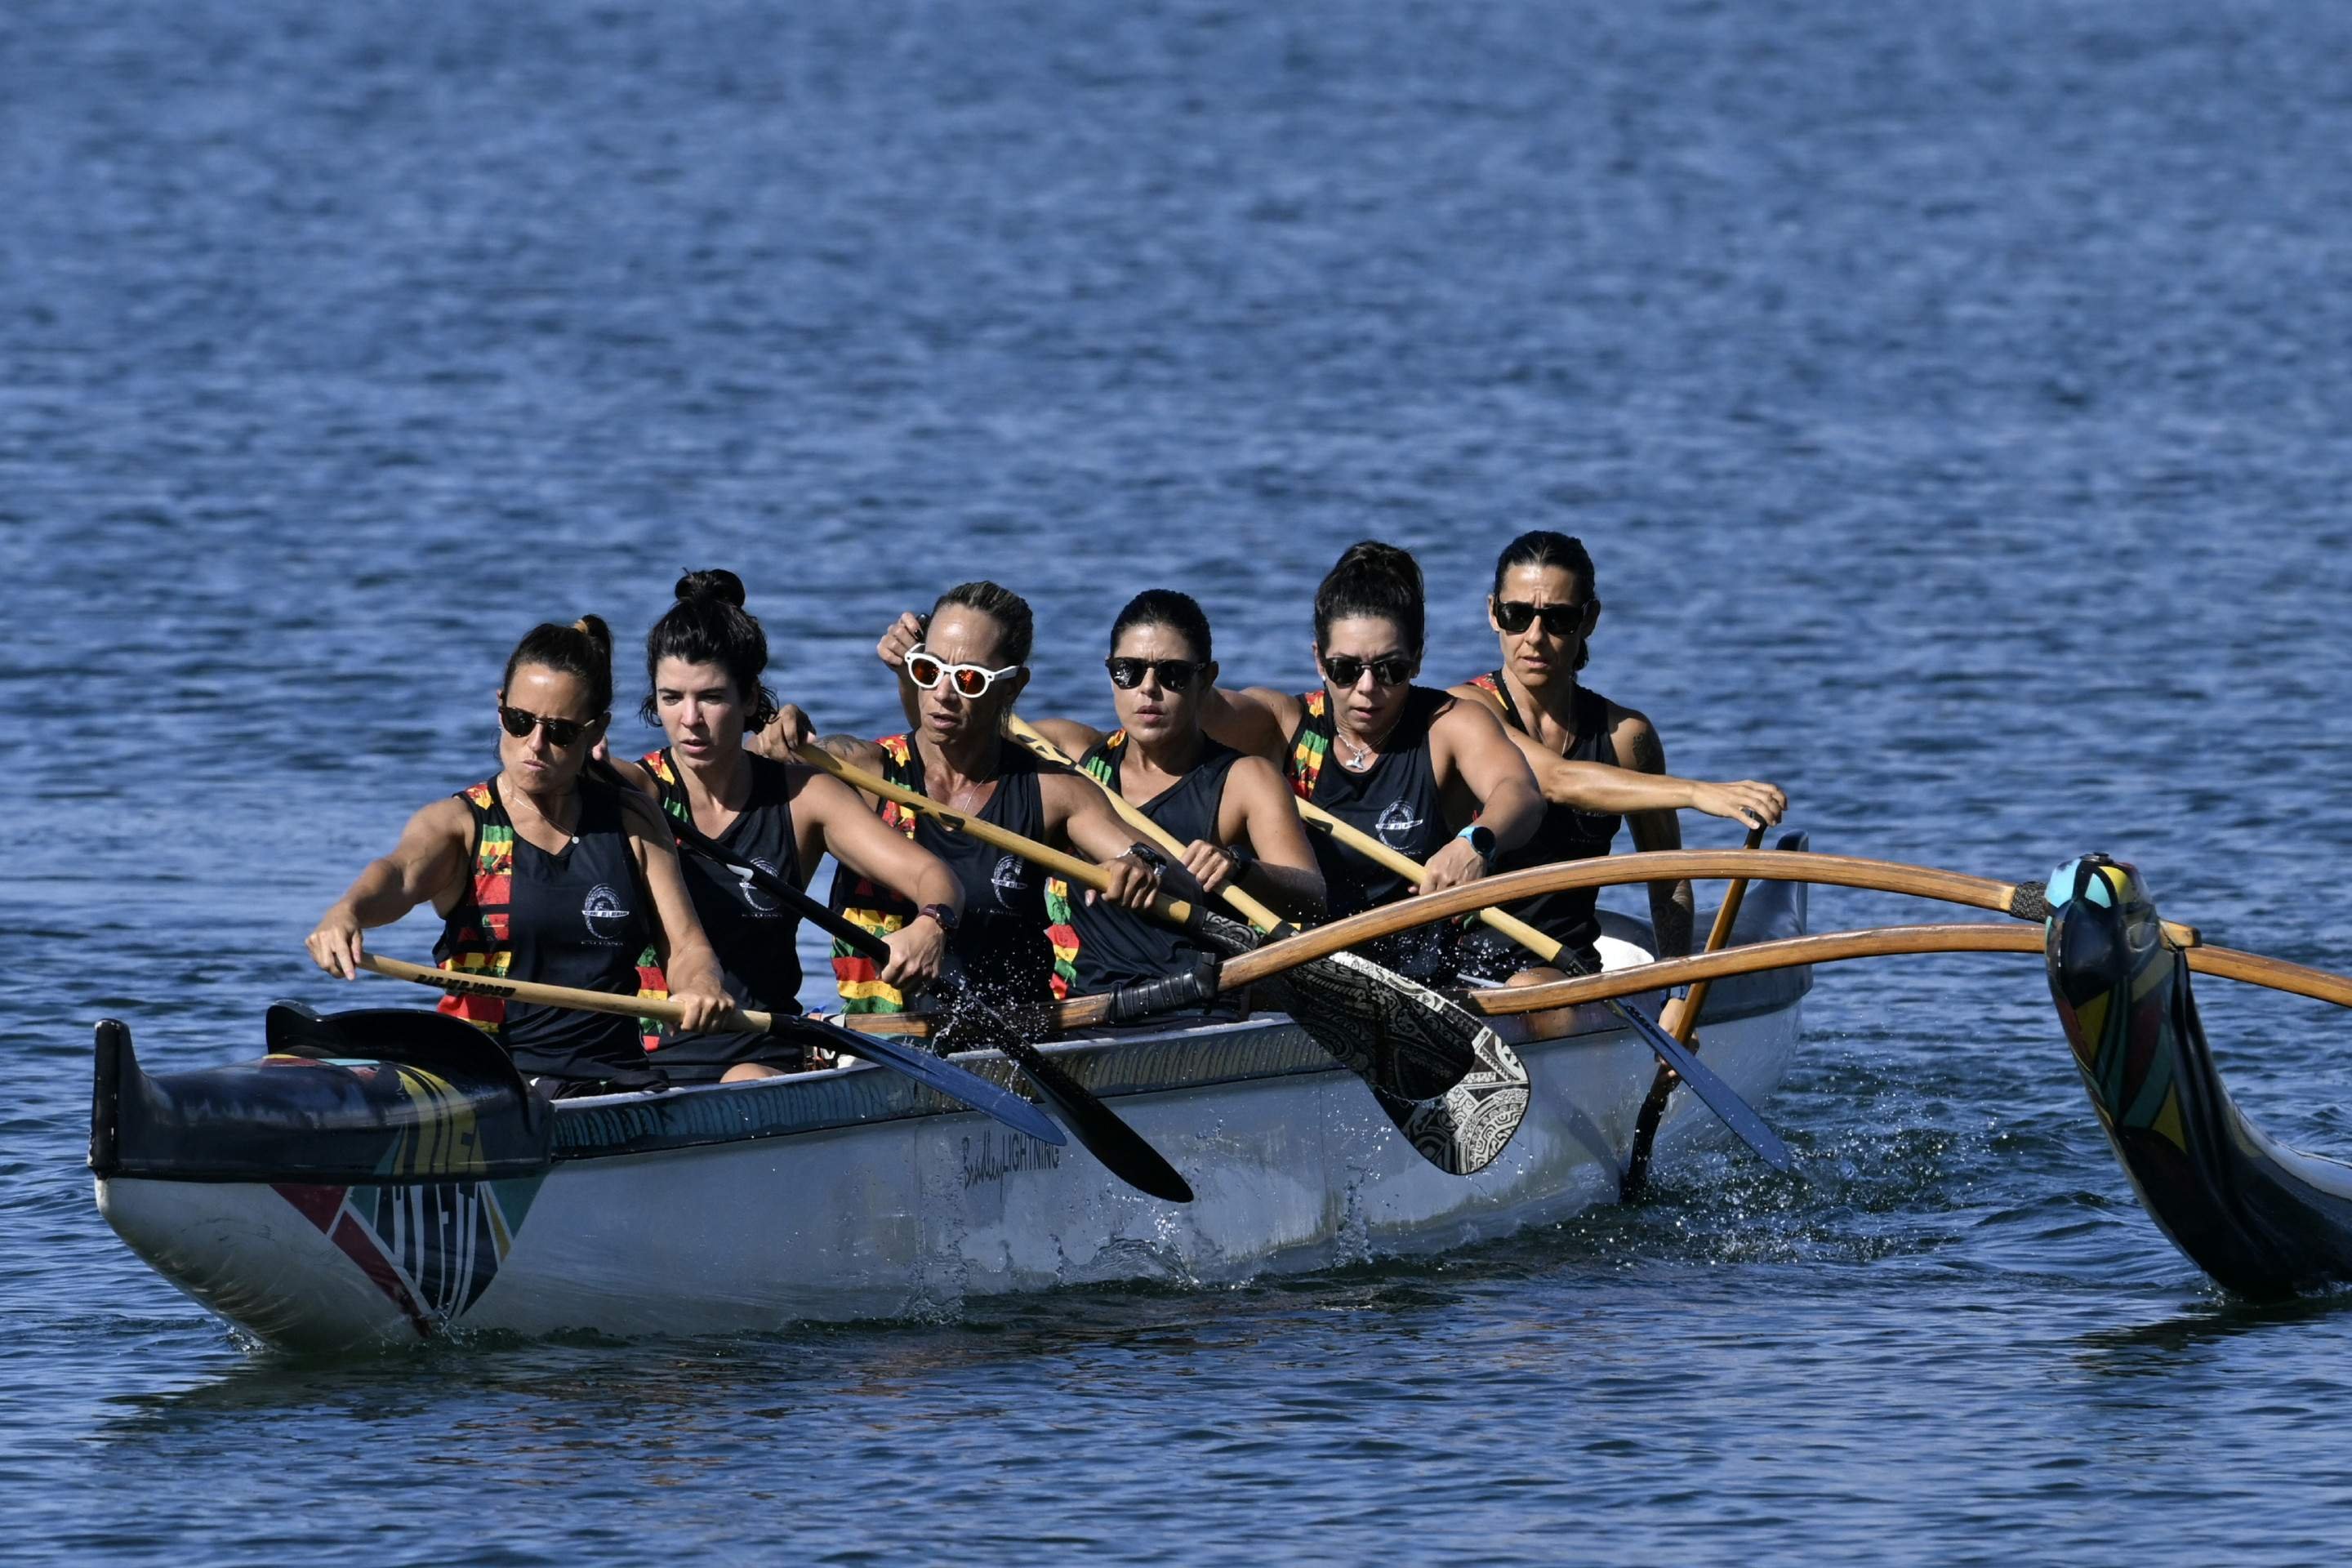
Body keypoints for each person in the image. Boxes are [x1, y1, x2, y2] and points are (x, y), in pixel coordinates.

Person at [305, 617, 729, 1089]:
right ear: (500, 708)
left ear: (596, 732)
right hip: (490, 1083)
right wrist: (347, 913)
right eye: (520, 721)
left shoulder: (631, 821)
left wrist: (701, 987)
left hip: (614, 1082)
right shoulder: (462, 825)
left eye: (561, 732)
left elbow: (687, 946)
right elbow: (399, 875)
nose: (535, 745)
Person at [601, 570, 967, 1080]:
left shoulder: (802, 797)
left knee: (743, 1082)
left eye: (712, 697)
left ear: (751, 698)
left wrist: (931, 924)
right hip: (643, 1064)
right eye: (671, 698)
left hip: (759, 1056)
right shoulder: (634, 791)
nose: (690, 719)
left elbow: (935, 877)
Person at [764, 581, 1165, 1039]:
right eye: (928, 669)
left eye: (968, 679)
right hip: (882, 1044)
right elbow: (752, 769)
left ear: (1012, 687)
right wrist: (777, 730)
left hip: (1013, 1043)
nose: (942, 693)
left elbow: (1160, 867)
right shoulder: (860, 773)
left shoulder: (1052, 791)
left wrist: (1139, 866)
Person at [1190, 541, 1549, 978]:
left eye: (1389, 669)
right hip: (1303, 971)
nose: (1366, 688)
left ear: (1417, 660)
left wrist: (1474, 843)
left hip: (1420, 979)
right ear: (1319, 660)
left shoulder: (1447, 725)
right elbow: (1192, 707)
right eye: (1345, 669)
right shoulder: (1281, 724)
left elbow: (1522, 794)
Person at [1446, 531, 1788, 978]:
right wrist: (1695, 793)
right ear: (1493, 613)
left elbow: (1667, 880)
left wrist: (1676, 990)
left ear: (1590, 619)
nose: (1535, 637)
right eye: (1518, 615)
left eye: (1559, 618)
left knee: (1537, 982)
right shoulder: (1466, 711)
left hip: (1567, 975)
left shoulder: (1627, 737)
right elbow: (1555, 780)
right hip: (1458, 971)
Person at [1021, 590, 1325, 999]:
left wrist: (1238, 869)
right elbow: (963, 736)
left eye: (1173, 674)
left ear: (1207, 679)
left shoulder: (1246, 780)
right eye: (1128, 671)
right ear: (1110, 673)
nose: (1148, 688)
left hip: (1197, 1007)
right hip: (1086, 1010)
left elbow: (1312, 900)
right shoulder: (1071, 759)